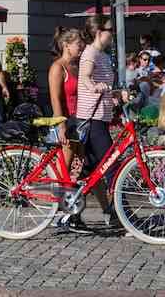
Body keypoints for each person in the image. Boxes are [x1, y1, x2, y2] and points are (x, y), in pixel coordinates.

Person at [76, 15, 116, 221]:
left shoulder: (104, 55)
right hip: (91, 118)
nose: (113, 33)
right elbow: (84, 76)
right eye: (110, 29)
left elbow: (106, 84)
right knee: (112, 164)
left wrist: (116, 95)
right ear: (99, 32)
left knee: (91, 169)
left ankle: (72, 213)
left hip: (102, 116)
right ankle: (121, 213)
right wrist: (94, 87)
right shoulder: (90, 52)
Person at [48, 27, 85, 171]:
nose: (81, 46)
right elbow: (55, 99)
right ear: (66, 45)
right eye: (78, 43)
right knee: (64, 166)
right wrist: (61, 125)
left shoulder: (76, 66)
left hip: (79, 120)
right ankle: (56, 192)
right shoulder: (58, 67)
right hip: (66, 120)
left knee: (86, 164)